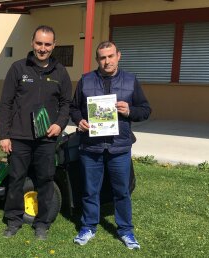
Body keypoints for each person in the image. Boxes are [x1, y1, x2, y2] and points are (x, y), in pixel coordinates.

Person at [69, 41, 151, 249]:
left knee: (122, 191)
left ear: (118, 56)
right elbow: (73, 108)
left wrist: (129, 110)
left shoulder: (131, 81)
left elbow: (145, 110)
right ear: (97, 59)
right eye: (102, 57)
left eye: (111, 56)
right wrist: (79, 120)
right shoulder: (86, 80)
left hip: (119, 148)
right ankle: (88, 226)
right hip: (91, 147)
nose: (107, 61)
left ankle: (126, 230)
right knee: (89, 190)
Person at [0, 25, 72, 240]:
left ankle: (42, 224)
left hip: (47, 138)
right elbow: (6, 104)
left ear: (54, 45)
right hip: (19, 137)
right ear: (32, 43)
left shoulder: (60, 72)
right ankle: (13, 221)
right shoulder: (18, 68)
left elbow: (66, 103)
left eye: (47, 44)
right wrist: (4, 135)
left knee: (45, 180)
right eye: (39, 43)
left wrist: (59, 124)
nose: (43, 48)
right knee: (16, 179)